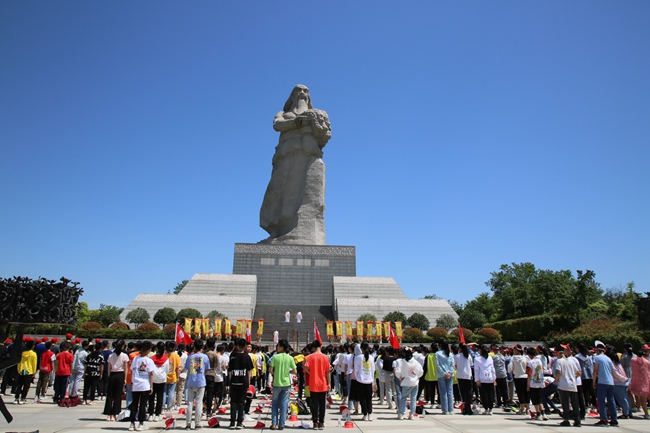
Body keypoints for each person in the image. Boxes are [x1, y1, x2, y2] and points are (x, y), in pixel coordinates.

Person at [259, 84, 331, 244]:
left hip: (307, 154)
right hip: (285, 156)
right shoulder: (284, 113)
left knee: (303, 192)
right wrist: (298, 122)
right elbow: (277, 125)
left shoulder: (316, 114)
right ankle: (277, 232)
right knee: (279, 192)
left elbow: (324, 136)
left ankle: (301, 233)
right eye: (298, 90)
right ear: (292, 95)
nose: (302, 93)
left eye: (306, 91)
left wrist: (311, 124)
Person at [269, 339, 296, 430]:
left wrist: (275, 373)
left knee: (275, 403)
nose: (277, 347)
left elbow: (271, 370)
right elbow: (295, 371)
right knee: (284, 403)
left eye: (278, 346)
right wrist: (288, 371)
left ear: (281, 347)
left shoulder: (275, 357)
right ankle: (282, 424)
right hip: (286, 383)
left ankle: (274, 423)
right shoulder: (290, 358)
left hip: (277, 382)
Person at [184, 339, 210, 430]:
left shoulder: (190, 357)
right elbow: (207, 370)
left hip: (191, 381)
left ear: (194, 347)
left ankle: (188, 423)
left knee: (189, 403)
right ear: (202, 347)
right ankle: (197, 423)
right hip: (201, 381)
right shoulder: (205, 357)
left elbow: (187, 368)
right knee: (199, 403)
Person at [128, 341, 155, 432]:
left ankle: (132, 423)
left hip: (135, 384)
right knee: (143, 405)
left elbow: (132, 369)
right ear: (147, 350)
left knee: (134, 404)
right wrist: (151, 386)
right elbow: (151, 374)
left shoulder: (135, 359)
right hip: (144, 385)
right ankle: (141, 423)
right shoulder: (149, 361)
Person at [304, 339, 330, 429]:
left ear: (313, 348)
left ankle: (315, 422)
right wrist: (329, 383)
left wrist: (311, 372)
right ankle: (321, 422)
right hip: (323, 383)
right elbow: (328, 372)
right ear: (320, 346)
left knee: (314, 404)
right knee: (322, 404)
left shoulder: (310, 357)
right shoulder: (325, 357)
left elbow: (305, 367)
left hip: (313, 383)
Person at [229, 338, 253, 429]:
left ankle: (232, 422)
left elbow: (230, 370)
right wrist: (248, 383)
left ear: (237, 346)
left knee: (233, 402)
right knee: (241, 402)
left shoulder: (232, 355)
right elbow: (249, 372)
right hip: (243, 382)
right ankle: (239, 422)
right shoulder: (247, 357)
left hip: (234, 381)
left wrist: (231, 381)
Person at [555, 344, 582, 427]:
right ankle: (577, 420)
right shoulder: (572, 361)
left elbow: (559, 372)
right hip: (572, 384)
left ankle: (566, 419)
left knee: (565, 403)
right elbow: (578, 372)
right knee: (575, 403)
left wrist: (556, 379)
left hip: (563, 384)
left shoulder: (559, 361)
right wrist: (573, 378)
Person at [593, 340, 617, 426]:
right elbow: (612, 371)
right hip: (610, 382)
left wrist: (594, 382)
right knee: (611, 400)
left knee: (601, 400)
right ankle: (614, 419)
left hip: (602, 382)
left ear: (598, 350)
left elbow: (595, 370)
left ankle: (604, 418)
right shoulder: (608, 359)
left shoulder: (597, 358)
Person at [103, 339, 129, 421]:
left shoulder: (111, 355)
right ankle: (115, 413)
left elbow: (109, 368)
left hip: (112, 374)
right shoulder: (124, 356)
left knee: (110, 395)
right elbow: (126, 368)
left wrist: (109, 376)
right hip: (120, 375)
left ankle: (108, 414)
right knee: (118, 395)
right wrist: (125, 378)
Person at [395, 347, 423, 420]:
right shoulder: (415, 362)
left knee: (403, 398)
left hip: (406, 382)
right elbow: (421, 372)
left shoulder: (402, 362)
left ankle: (401, 413)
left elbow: (397, 372)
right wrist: (417, 377)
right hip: (414, 383)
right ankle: (412, 414)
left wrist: (400, 377)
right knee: (413, 399)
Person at [354, 342, 375, 421]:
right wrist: (372, 380)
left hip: (361, 380)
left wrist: (357, 377)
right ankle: (370, 414)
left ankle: (365, 414)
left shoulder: (358, 358)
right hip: (369, 380)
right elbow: (373, 370)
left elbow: (356, 370)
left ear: (361, 348)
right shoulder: (372, 357)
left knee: (363, 398)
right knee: (369, 398)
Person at [148, 342, 169, 422]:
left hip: (153, 379)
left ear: (156, 348)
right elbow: (167, 370)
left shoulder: (152, 358)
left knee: (151, 397)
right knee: (160, 397)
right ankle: (157, 414)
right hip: (162, 379)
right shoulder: (166, 359)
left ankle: (150, 414)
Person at [474, 344, 496, 415]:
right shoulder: (490, 358)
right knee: (491, 394)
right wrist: (494, 379)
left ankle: (486, 409)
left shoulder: (477, 359)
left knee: (484, 395)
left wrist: (477, 379)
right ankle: (490, 409)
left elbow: (476, 370)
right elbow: (493, 369)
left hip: (482, 378)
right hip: (490, 378)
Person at [507, 344, 529, 417]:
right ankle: (527, 409)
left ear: (516, 350)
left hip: (518, 376)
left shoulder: (513, 358)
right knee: (526, 393)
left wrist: (512, 371)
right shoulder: (525, 358)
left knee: (520, 393)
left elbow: (509, 368)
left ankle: (522, 409)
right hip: (525, 376)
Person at [629, 345, 650, 419]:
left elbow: (631, 368)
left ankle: (646, 414)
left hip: (637, 381)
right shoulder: (647, 362)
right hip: (647, 380)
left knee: (642, 399)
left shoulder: (633, 360)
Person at [14, 339, 37, 405]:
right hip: (29, 371)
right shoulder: (33, 354)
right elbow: (34, 364)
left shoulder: (22, 353)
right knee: (26, 386)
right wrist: (34, 372)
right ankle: (23, 398)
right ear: (32, 346)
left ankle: (16, 398)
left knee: (19, 385)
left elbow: (19, 362)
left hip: (21, 370)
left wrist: (18, 369)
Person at [526, 347, 546, 419]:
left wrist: (528, 385)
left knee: (535, 399)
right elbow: (541, 371)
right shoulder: (540, 361)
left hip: (533, 382)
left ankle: (538, 413)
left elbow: (529, 374)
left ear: (529, 354)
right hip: (540, 381)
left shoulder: (530, 363)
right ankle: (543, 413)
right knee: (540, 398)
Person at [436, 341, 455, 415]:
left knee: (443, 392)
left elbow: (438, 365)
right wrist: (449, 373)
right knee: (450, 392)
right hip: (449, 375)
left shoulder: (437, 353)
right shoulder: (450, 354)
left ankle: (445, 409)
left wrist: (444, 373)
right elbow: (452, 364)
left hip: (441, 375)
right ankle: (451, 409)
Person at [455, 343, 474, 415]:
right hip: (468, 375)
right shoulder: (468, 356)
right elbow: (471, 365)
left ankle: (465, 407)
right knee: (469, 391)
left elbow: (455, 365)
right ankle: (468, 406)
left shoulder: (457, 356)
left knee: (463, 392)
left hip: (460, 375)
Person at [163, 341, 181, 413]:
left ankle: (162, 406)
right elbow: (177, 368)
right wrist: (178, 376)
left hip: (165, 376)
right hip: (173, 376)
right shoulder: (176, 356)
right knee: (171, 392)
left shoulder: (164, 355)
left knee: (164, 392)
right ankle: (169, 407)